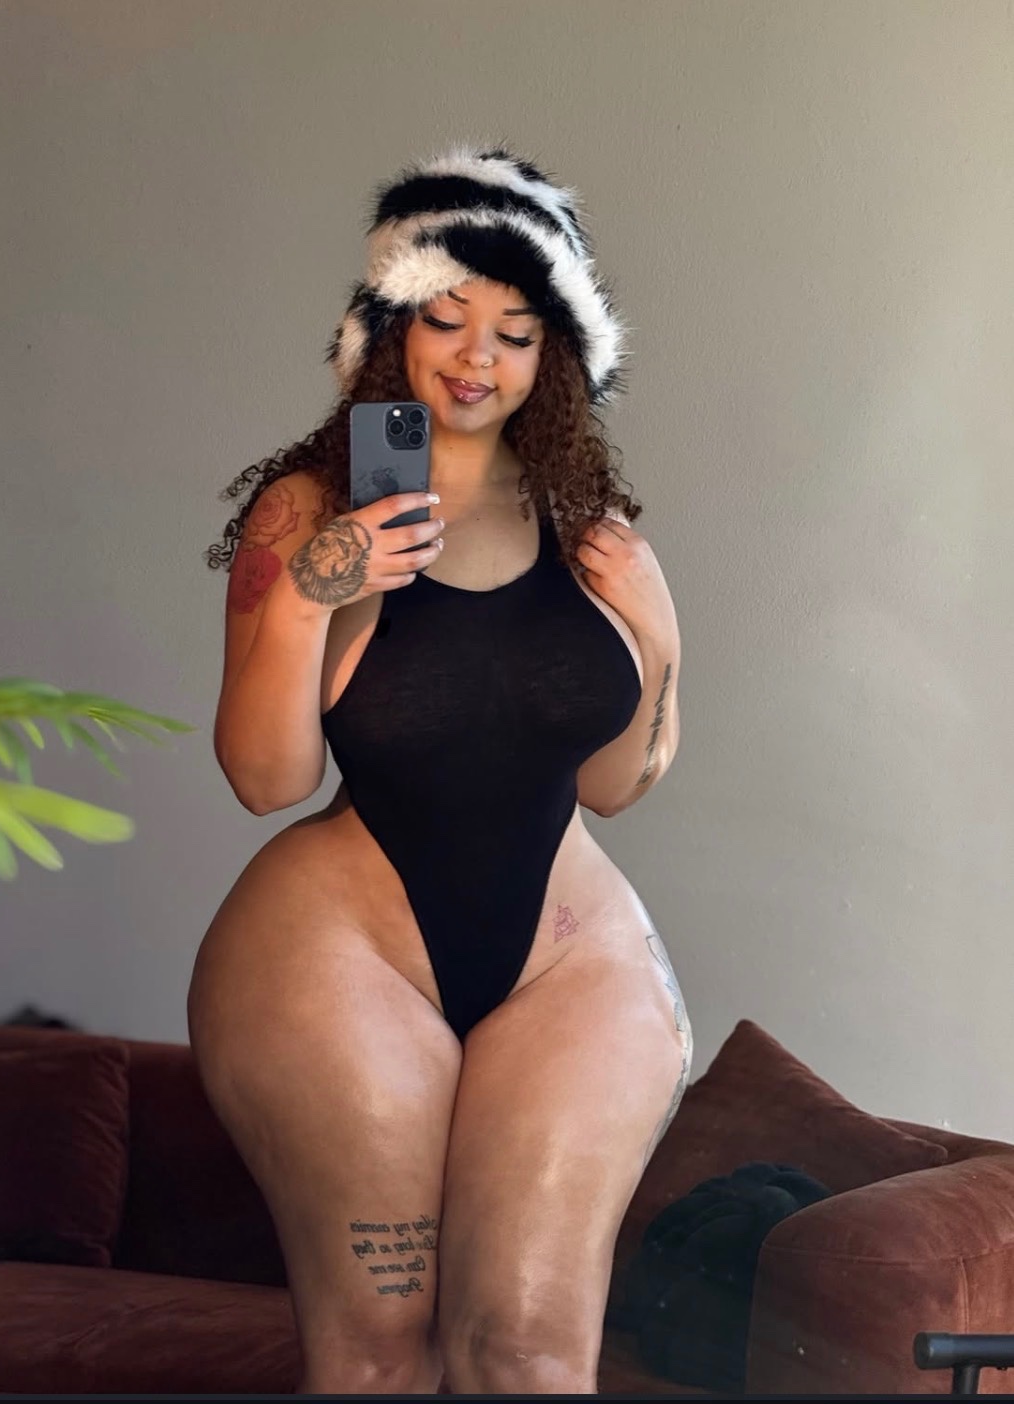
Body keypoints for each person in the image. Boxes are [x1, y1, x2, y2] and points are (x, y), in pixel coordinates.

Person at [189, 144, 692, 1397]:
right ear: (388, 327)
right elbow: (264, 778)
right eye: (447, 318)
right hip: (346, 948)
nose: (478, 358)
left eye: (516, 333)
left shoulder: (588, 528)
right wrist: (315, 596)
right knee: (379, 1353)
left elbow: (615, 784)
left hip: (568, 958)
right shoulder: (308, 511)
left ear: (556, 356)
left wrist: (662, 640)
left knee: (529, 1354)